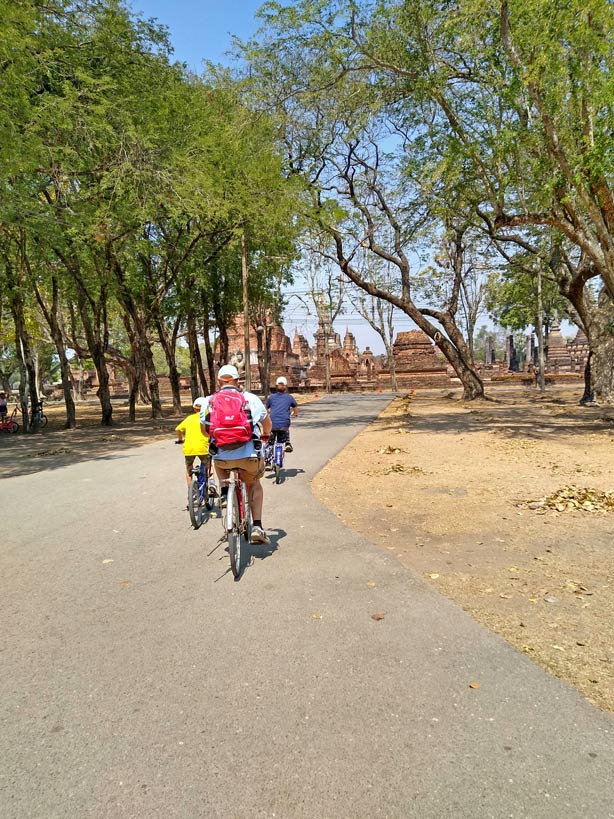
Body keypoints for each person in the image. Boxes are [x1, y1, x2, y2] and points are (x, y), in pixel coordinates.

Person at [199, 364, 272, 545]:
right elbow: (267, 423)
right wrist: (265, 435)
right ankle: (257, 526)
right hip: (249, 456)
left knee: (217, 457)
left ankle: (224, 492)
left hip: (223, 458)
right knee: (254, 483)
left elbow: (205, 431)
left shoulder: (209, 400)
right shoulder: (250, 398)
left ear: (219, 381)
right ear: (237, 381)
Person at [175, 397, 212, 491]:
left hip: (189, 449)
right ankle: (211, 483)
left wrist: (180, 440)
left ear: (194, 408)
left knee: (189, 469)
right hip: (203, 448)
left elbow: (178, 429)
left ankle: (191, 491)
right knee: (209, 466)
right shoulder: (208, 417)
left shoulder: (189, 418)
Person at [265, 376, 298, 453]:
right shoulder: (289, 397)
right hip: (284, 425)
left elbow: (265, 409)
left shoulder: (271, 397)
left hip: (272, 424)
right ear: (285, 387)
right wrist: (294, 414)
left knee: (270, 443)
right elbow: (296, 409)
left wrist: (269, 413)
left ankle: (268, 462)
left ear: (276, 386)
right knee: (285, 426)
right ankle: (287, 443)